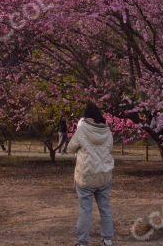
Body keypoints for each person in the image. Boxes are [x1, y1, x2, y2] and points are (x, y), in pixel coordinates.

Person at [67, 102, 115, 246]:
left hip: (86, 176)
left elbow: (70, 148)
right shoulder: (107, 131)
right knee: (105, 208)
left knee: (85, 210)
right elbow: (110, 147)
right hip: (104, 175)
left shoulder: (82, 130)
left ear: (86, 116)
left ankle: (83, 242)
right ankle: (107, 240)